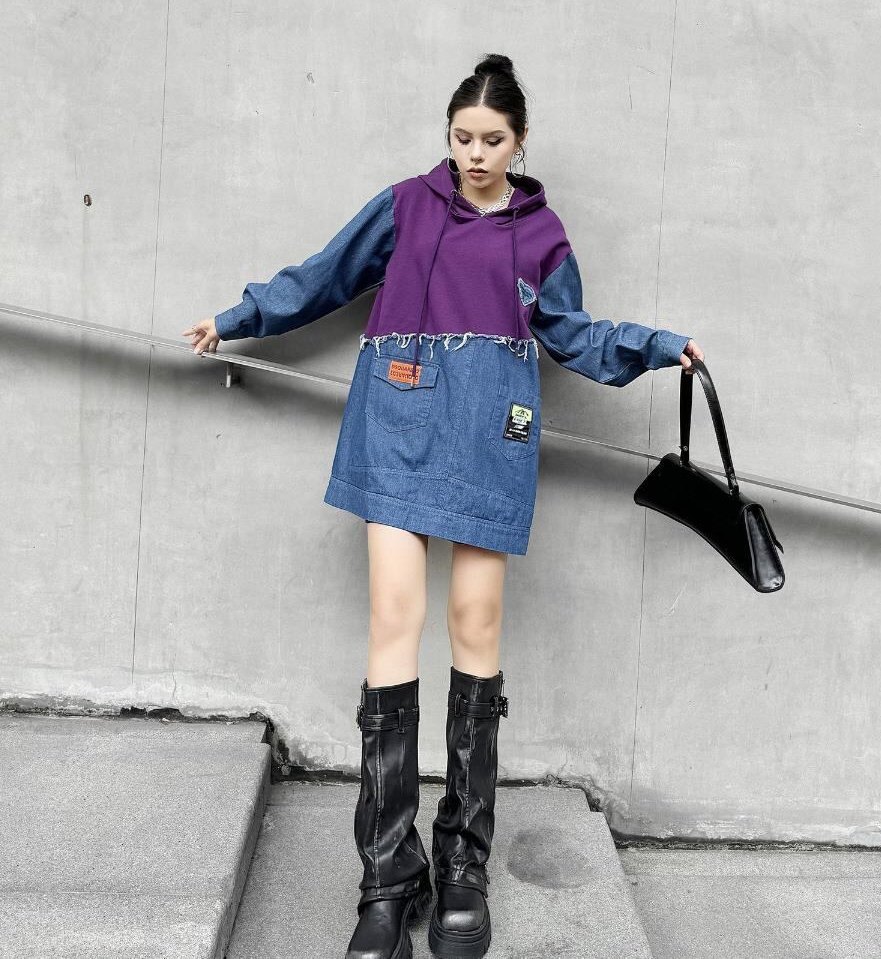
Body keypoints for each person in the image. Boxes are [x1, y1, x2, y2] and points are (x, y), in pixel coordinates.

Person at [183, 52, 704, 959]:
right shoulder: (405, 205)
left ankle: (462, 863)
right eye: (461, 137)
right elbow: (325, 273)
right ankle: (388, 875)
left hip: (488, 434)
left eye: (491, 139)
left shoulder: (542, 236)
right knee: (393, 617)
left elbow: (572, 334)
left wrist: (658, 345)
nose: (473, 154)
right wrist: (238, 317)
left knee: (475, 623)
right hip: (394, 421)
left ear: (520, 141)